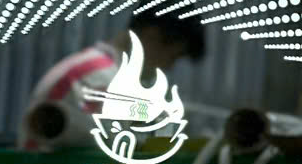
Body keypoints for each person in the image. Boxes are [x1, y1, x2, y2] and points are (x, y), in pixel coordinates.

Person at [20, 13, 207, 151]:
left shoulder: (98, 71)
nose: (169, 67)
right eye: (173, 57)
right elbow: (116, 147)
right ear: (152, 35)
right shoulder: (96, 76)